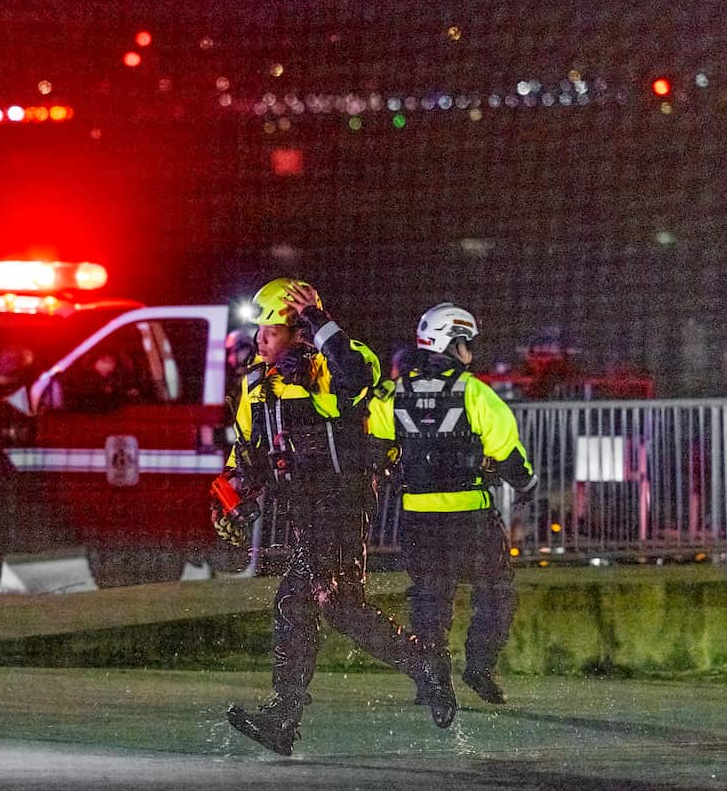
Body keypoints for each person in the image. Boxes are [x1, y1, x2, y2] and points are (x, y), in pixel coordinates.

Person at [214, 277, 454, 757]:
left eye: (273, 329)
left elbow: (358, 379)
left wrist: (320, 321)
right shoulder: (256, 384)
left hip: (341, 500)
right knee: (304, 604)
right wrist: (231, 496)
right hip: (303, 507)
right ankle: (286, 717)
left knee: (328, 601)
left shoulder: (337, 361)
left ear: (301, 329)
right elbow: (247, 451)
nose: (260, 339)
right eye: (258, 330)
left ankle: (424, 665)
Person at [369, 303, 536, 709]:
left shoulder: (393, 393)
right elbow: (509, 454)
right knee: (495, 593)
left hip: (417, 518)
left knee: (429, 599)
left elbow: (374, 445)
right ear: (453, 343)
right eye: (467, 344)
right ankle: (479, 668)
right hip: (471, 518)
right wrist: (528, 485)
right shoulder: (475, 392)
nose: (470, 353)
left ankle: (431, 680)